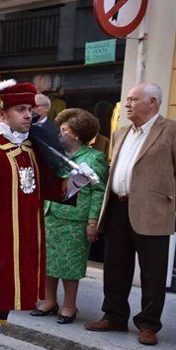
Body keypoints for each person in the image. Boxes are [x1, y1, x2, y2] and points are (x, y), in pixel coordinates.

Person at [0, 80, 94, 350]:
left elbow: (47, 188)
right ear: (1, 112)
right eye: (21, 109)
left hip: (24, 239)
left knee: (4, 298)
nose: (28, 115)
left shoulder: (28, 147)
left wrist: (75, 183)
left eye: (30, 109)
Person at [86, 83, 176, 345]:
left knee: (153, 272)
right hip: (118, 207)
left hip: (154, 212)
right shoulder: (120, 133)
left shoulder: (174, 131)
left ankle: (149, 324)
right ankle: (114, 316)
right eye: (127, 99)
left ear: (152, 102)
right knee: (116, 266)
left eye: (133, 99)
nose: (127, 104)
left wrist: (167, 205)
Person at [32, 108, 107, 323]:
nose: (59, 133)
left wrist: (93, 222)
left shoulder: (95, 157)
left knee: (70, 266)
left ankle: (69, 306)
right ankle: (49, 301)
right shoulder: (58, 153)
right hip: (51, 214)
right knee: (47, 262)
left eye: (63, 129)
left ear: (74, 133)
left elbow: (98, 191)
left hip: (75, 220)